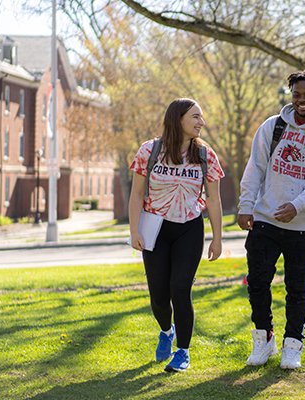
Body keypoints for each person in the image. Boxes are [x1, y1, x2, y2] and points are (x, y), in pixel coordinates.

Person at [238, 70, 305, 370]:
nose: (302, 100)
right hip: (265, 221)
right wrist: (246, 206)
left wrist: (298, 206)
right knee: (257, 281)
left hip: (302, 227)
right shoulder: (272, 127)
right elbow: (255, 168)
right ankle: (264, 338)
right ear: (291, 95)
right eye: (297, 94)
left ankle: (292, 344)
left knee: (297, 288)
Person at [128, 98, 224, 372]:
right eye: (195, 117)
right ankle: (166, 331)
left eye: (201, 117)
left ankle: (183, 352)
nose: (201, 122)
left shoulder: (206, 155)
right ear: (178, 118)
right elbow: (136, 193)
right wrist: (134, 230)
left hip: (189, 227)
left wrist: (217, 237)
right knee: (158, 295)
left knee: (180, 290)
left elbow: (214, 200)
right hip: (154, 228)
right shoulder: (150, 150)